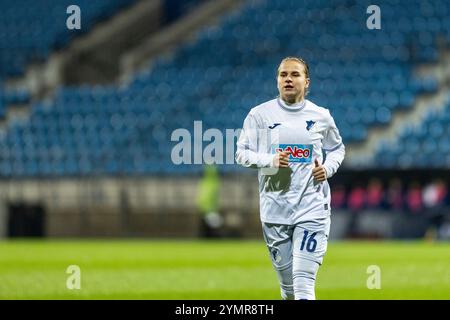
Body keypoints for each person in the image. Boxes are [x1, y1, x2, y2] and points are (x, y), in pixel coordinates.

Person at [235, 57, 345, 300]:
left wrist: (327, 168)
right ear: (277, 81)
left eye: (295, 74)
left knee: (304, 284)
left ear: (307, 82)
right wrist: (269, 160)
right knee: (289, 289)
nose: (288, 79)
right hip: (275, 211)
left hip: (312, 209)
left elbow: (337, 149)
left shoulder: (321, 116)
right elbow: (241, 154)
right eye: (283, 74)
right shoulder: (259, 115)